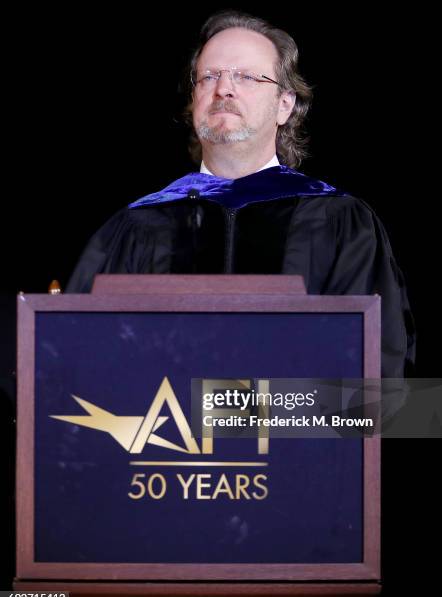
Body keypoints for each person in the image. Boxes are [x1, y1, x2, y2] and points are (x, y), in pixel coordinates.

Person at [66, 10, 415, 378]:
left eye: (246, 77)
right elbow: (75, 360)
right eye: (209, 76)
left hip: (293, 434)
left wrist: (238, 416)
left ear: (285, 105)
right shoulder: (136, 225)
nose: (223, 88)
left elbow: (379, 380)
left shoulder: (341, 222)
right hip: (158, 433)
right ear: (193, 101)